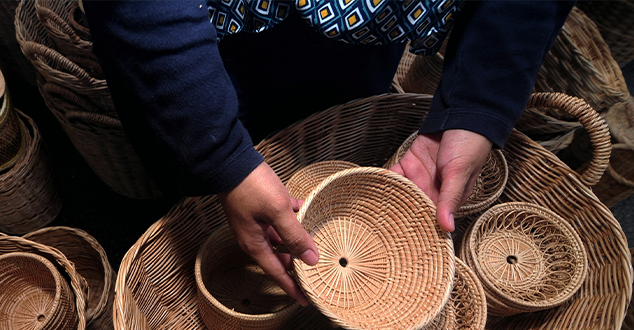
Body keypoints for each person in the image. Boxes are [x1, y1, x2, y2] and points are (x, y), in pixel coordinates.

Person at [83, 0, 575, 305]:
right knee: (189, 176)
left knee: (329, 114)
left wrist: (478, 103)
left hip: (365, 35)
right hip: (204, 38)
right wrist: (219, 157)